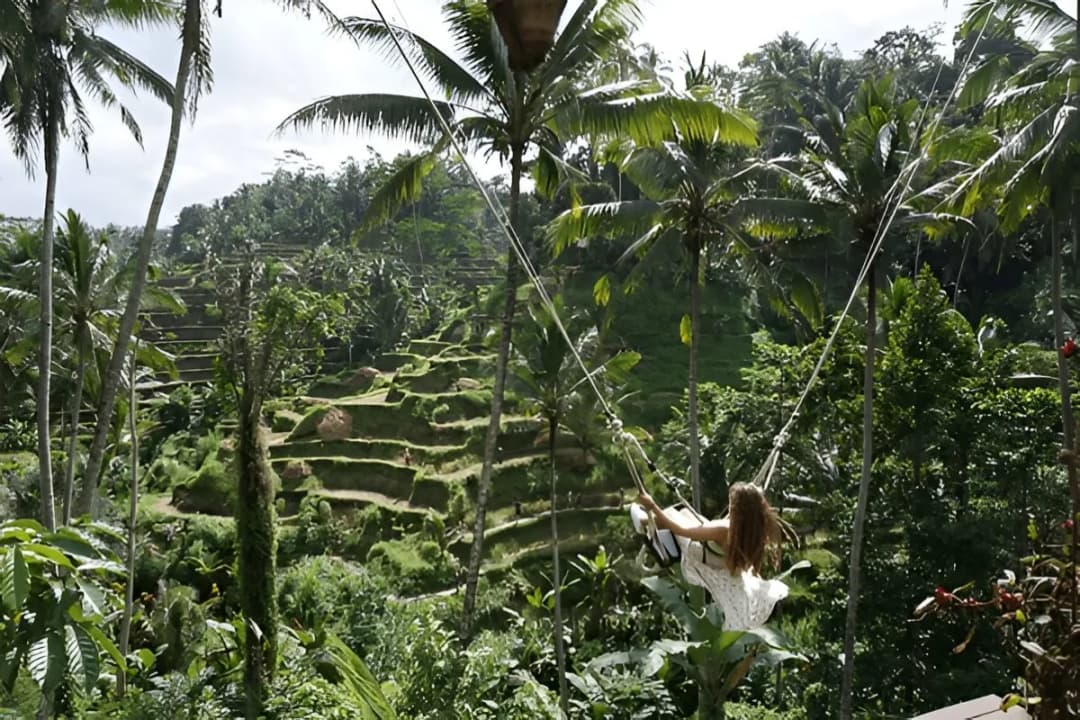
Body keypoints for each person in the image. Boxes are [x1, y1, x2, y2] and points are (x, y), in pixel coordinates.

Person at [635, 482, 788, 631]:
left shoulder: (724, 529)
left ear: (737, 509)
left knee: (675, 515)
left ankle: (643, 522)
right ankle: (649, 522)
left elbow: (682, 531)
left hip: (699, 556)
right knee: (688, 514)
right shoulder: (756, 529)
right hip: (722, 564)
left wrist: (652, 506)